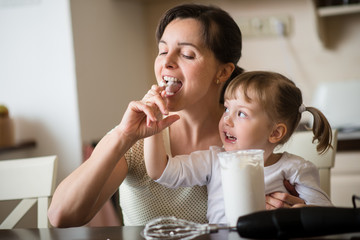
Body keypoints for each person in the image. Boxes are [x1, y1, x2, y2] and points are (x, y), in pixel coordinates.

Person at [47, 4, 304, 227]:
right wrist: (122, 136)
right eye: (162, 50)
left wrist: (291, 211)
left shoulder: (250, 141)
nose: (166, 63)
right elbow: (61, 217)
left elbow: (297, 209)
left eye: (187, 54)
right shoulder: (136, 139)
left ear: (223, 72)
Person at [143, 71, 333, 224]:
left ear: (275, 133)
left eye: (241, 113)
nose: (227, 119)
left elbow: (326, 215)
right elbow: (161, 171)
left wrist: (299, 213)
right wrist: (153, 125)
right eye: (227, 108)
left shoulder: (294, 168)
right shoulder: (214, 160)